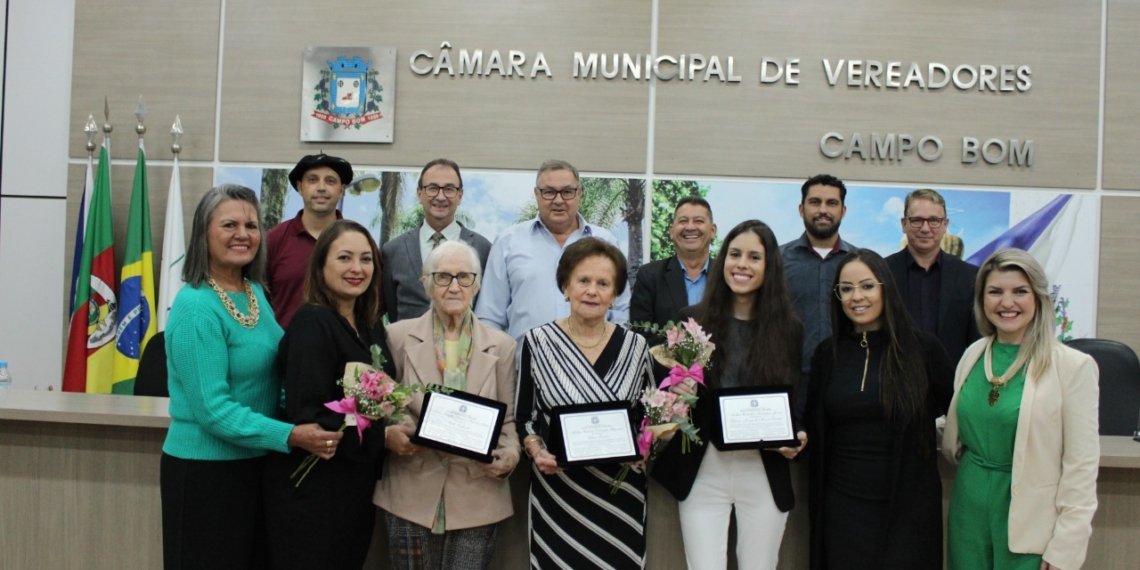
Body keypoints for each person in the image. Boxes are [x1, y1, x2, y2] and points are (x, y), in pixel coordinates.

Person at [160, 184, 344, 570]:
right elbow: (213, 410)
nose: (243, 234)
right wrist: (291, 435)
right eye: (229, 224)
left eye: (252, 225)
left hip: (255, 466)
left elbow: (271, 374)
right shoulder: (195, 307)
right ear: (203, 233)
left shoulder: (254, 291)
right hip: (205, 473)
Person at [653, 220, 807, 570]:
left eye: (755, 257)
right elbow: (671, 397)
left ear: (769, 267)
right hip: (703, 467)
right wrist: (678, 396)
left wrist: (796, 434)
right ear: (722, 260)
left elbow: (793, 398)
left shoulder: (789, 329)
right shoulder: (691, 321)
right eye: (734, 254)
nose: (742, 264)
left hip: (764, 467)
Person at [943, 249, 1099, 570]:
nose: (1007, 302)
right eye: (995, 291)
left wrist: (1066, 549)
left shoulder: (1072, 366)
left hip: (1030, 521)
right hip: (968, 513)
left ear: (1039, 298)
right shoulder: (974, 354)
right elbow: (962, 426)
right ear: (982, 299)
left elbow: (1081, 467)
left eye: (1020, 292)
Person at [375, 240, 520, 570]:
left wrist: (509, 457)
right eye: (443, 277)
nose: (454, 286)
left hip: (477, 492)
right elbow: (380, 406)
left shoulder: (502, 346)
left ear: (478, 284)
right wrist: (391, 433)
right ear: (426, 283)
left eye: (464, 277)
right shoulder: (396, 337)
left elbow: (508, 421)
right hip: (410, 491)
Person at [805, 248, 953, 569]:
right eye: (846, 289)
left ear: (886, 288)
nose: (857, 296)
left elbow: (958, 410)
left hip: (907, 506)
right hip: (843, 507)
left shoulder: (923, 350)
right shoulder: (827, 355)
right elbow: (813, 423)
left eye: (867, 286)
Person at [262, 220, 393, 569]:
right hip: (314, 493)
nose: (357, 268)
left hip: (353, 490)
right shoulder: (312, 323)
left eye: (366, 259)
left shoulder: (370, 325)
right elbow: (312, 417)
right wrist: (386, 436)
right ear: (321, 266)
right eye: (345, 258)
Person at [516, 237, 654, 569]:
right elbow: (524, 416)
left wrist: (647, 445)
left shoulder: (636, 346)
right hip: (559, 492)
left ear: (615, 294)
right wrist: (537, 452)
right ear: (565, 286)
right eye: (583, 281)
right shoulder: (537, 342)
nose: (592, 290)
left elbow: (652, 416)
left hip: (620, 494)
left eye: (603, 283)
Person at [476, 159, 630, 344]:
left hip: (594, 368)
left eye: (567, 192)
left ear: (579, 193)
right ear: (536, 194)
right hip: (525, 368)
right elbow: (489, 318)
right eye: (549, 192)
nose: (558, 200)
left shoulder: (605, 242)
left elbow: (621, 312)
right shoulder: (509, 241)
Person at [382, 158, 492, 323]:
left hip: (466, 347)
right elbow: (390, 308)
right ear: (419, 194)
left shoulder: (483, 249)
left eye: (449, 189)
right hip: (408, 346)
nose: (440, 197)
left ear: (460, 195)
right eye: (432, 188)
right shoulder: (393, 250)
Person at [885, 188, 980, 364]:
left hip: (953, 385)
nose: (925, 228)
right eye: (917, 220)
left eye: (934, 221)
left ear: (945, 225)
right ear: (904, 224)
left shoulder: (971, 277)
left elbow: (977, 341)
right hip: (892, 383)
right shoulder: (881, 273)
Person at [780, 174, 857, 374]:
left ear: (843, 211)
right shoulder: (776, 260)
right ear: (801, 209)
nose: (823, 210)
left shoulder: (860, 263)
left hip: (846, 375)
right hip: (790, 376)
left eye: (831, 203)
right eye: (815, 202)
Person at [266, 153, 354, 328]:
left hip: (343, 352)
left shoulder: (358, 241)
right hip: (284, 350)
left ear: (341, 190)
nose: (321, 187)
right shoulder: (274, 240)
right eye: (312, 180)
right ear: (300, 187)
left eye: (330, 181)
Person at [630, 196, 717, 338]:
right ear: (671, 231)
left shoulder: (727, 276)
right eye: (683, 221)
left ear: (713, 230)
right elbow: (641, 335)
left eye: (698, 221)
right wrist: (676, 356)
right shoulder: (649, 276)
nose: (690, 227)